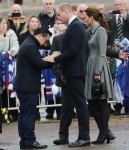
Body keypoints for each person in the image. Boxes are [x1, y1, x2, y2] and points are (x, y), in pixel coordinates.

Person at [44, 3, 90, 148]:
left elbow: (73, 50)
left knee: (80, 105)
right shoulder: (74, 25)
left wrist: (55, 58)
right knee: (67, 106)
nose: (58, 17)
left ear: (65, 12)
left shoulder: (76, 26)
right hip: (70, 72)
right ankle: (64, 136)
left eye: (59, 14)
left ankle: (84, 137)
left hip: (75, 72)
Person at [13, 27, 55, 149]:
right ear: (40, 36)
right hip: (27, 87)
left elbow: (41, 52)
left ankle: (25, 141)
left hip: (23, 86)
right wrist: (53, 60)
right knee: (29, 115)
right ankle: (30, 141)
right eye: (45, 40)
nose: (45, 43)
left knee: (24, 114)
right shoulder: (30, 46)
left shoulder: (29, 43)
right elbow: (40, 64)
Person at [84, 7, 115, 144]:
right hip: (91, 65)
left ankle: (103, 133)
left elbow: (102, 53)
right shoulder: (90, 31)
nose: (84, 19)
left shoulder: (101, 31)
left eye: (86, 17)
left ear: (91, 17)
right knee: (92, 101)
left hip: (99, 67)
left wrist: (98, 72)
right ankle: (105, 131)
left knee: (101, 101)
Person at [0, 17, 19, 122]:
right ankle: (3, 115)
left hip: (8, 67)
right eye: (0, 23)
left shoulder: (11, 34)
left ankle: (11, 114)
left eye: (4, 23)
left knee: (9, 91)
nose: (2, 25)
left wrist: (13, 50)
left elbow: (15, 45)